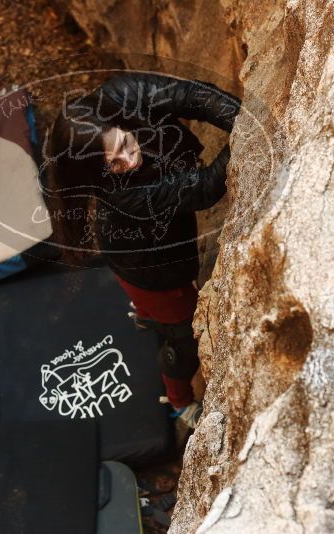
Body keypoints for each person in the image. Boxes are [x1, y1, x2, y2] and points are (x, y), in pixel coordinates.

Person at [42, 71, 240, 430]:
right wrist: (247, 133)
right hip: (150, 268)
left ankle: (150, 314)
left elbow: (189, 94)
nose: (129, 162)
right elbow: (206, 188)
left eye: (124, 146)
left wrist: (239, 115)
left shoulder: (121, 94)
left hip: (145, 247)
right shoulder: (124, 194)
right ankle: (180, 401)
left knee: (170, 315)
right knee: (183, 335)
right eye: (112, 163)